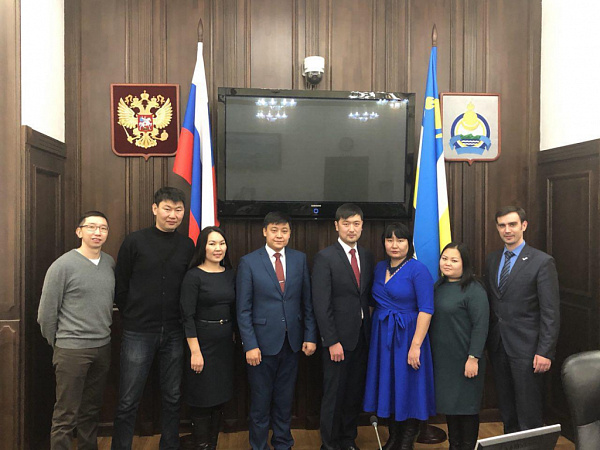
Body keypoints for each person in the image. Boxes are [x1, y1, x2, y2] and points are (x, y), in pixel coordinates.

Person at [112, 187, 195, 450]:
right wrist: (132, 314)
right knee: (128, 399)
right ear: (154, 209)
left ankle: (169, 445)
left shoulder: (187, 245)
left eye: (178, 210)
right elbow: (121, 285)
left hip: (175, 331)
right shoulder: (134, 241)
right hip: (138, 331)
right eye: (167, 209)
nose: (173, 215)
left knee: (172, 396)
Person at [236, 211, 317, 450]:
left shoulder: (299, 259)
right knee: (260, 402)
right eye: (274, 230)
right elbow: (243, 309)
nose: (279, 235)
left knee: (284, 400)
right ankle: (258, 445)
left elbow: (307, 303)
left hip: (292, 343)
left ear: (290, 233)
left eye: (284, 231)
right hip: (260, 346)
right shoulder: (249, 262)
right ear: (264, 232)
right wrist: (250, 345)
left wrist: (310, 335)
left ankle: (283, 443)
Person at [38, 211, 115, 450]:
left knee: (91, 411)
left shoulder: (109, 263)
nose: (97, 232)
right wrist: (62, 344)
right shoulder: (62, 266)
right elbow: (46, 315)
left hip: (102, 347)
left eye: (103, 228)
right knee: (66, 414)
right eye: (91, 227)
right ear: (79, 231)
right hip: (71, 350)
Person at [484, 206, 560, 433]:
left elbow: (550, 312)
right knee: (507, 410)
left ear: (523, 226)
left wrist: (545, 351)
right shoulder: (492, 259)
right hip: (498, 346)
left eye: (512, 224)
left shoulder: (542, 261)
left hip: (528, 349)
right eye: (502, 225)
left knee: (529, 412)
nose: (507, 230)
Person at [363, 223, 435, 450]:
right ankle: (393, 438)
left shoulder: (418, 270)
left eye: (400, 240)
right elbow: (373, 303)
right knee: (390, 386)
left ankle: (406, 442)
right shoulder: (379, 267)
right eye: (389, 240)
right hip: (383, 338)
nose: (394, 245)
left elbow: (426, 310)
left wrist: (416, 346)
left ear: (408, 243)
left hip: (408, 337)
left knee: (408, 386)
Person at [312, 203, 374, 450]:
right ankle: (328, 444)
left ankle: (348, 440)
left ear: (362, 226)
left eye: (356, 224)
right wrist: (331, 341)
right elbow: (321, 304)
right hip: (337, 341)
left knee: (353, 394)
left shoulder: (367, 256)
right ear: (336, 226)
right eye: (346, 224)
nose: (351, 229)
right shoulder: (325, 257)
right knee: (334, 396)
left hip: (362, 338)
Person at [180, 226, 236, 450]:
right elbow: (187, 316)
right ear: (203, 247)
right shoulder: (193, 276)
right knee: (202, 398)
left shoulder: (230, 274)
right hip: (201, 345)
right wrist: (195, 351)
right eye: (212, 243)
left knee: (220, 397)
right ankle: (202, 445)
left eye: (221, 243)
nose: (217, 248)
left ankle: (211, 445)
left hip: (225, 346)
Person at [430, 242, 489, 450]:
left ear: (465, 264)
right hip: (444, 361)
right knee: (451, 408)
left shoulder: (474, 289)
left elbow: (481, 326)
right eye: (444, 258)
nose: (447, 263)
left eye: (454, 260)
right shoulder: (438, 287)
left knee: (467, 409)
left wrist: (473, 357)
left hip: (466, 360)